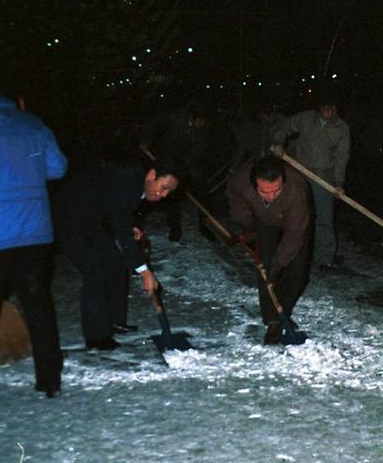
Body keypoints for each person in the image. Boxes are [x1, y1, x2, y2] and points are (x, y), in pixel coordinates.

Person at [0, 83, 67, 401]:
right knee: (38, 302)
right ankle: (50, 379)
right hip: (34, 231)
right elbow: (57, 168)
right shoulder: (32, 123)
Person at [54, 160, 180, 350]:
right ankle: (97, 336)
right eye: (164, 188)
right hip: (70, 220)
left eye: (169, 192)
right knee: (94, 271)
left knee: (116, 260)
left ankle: (114, 320)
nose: (164, 195)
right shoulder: (128, 183)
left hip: (91, 220)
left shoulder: (135, 182)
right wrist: (145, 272)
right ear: (152, 175)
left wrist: (128, 225)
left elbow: (114, 208)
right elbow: (122, 234)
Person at [227, 156, 311, 344]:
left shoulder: (296, 191)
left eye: (276, 190)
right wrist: (248, 226)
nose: (272, 196)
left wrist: (278, 264)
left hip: (293, 220)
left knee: (297, 272)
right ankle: (273, 320)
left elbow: (294, 236)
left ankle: (284, 312)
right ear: (254, 185)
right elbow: (236, 201)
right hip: (262, 219)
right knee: (264, 266)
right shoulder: (241, 181)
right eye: (265, 191)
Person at [271, 92, 350, 269]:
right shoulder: (305, 119)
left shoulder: (341, 128)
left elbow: (341, 158)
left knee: (324, 218)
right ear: (318, 109)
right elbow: (284, 127)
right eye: (326, 109)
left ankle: (324, 259)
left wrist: (338, 183)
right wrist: (278, 142)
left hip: (324, 176)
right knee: (294, 215)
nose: (330, 113)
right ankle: (288, 254)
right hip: (299, 172)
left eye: (333, 110)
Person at [138, 104, 209, 241]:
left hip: (188, 162)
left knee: (202, 192)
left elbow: (200, 148)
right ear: (192, 118)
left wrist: (186, 164)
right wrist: (145, 140)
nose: (202, 123)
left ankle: (205, 227)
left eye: (203, 121)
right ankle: (175, 229)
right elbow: (153, 123)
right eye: (199, 120)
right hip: (169, 158)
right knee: (171, 195)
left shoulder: (204, 127)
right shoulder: (175, 118)